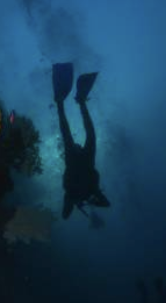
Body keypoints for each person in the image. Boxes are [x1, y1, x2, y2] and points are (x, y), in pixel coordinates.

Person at [52, 63, 110, 219]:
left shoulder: (75, 194)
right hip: (86, 165)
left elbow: (65, 216)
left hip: (77, 166)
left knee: (74, 134)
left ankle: (72, 103)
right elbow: (106, 204)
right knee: (88, 134)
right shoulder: (89, 192)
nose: (77, 145)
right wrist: (87, 200)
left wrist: (78, 200)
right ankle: (80, 102)